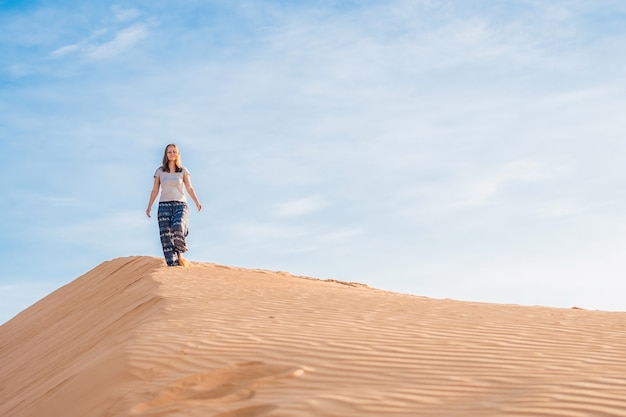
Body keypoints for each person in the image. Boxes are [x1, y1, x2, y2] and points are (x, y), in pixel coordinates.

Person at [146, 144, 202, 266]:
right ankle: (174, 265)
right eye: (169, 152)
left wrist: (197, 202)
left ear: (178, 154)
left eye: (174, 152)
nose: (172, 154)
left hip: (180, 204)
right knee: (166, 237)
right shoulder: (160, 171)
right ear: (166, 155)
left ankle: (180, 247)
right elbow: (155, 190)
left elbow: (189, 188)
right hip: (164, 206)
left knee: (178, 226)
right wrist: (149, 206)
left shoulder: (183, 171)